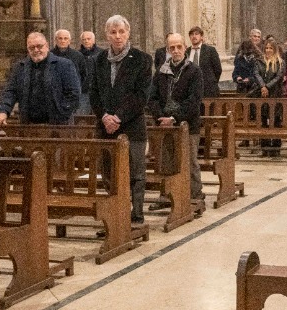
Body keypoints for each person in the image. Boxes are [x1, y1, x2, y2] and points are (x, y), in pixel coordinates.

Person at [90, 15, 152, 224]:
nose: (117, 37)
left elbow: (141, 95)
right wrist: (105, 116)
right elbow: (94, 93)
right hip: (106, 127)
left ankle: (136, 214)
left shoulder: (141, 59)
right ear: (106, 35)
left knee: (135, 172)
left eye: (121, 32)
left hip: (132, 126)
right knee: (108, 172)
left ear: (128, 33)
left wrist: (118, 117)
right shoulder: (99, 60)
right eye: (113, 32)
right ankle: (116, 211)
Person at [147, 33, 204, 204]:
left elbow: (194, 100)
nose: (176, 50)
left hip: (187, 124)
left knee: (189, 161)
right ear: (168, 50)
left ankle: (195, 195)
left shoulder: (194, 71)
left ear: (185, 48)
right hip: (165, 125)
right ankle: (166, 196)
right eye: (172, 47)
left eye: (179, 46)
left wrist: (174, 117)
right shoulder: (161, 72)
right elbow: (153, 98)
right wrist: (161, 117)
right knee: (165, 161)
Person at [0, 32, 81, 126]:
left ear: (47, 46)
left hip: (58, 124)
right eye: (31, 48)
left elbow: (74, 93)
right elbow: (10, 91)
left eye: (39, 46)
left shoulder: (64, 65)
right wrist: (3, 110)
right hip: (28, 124)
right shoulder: (20, 67)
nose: (36, 50)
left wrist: (62, 113)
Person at [255, 39, 285, 156]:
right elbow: (256, 73)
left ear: (275, 50)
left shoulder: (280, 62)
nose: (268, 50)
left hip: (275, 94)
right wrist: (262, 86)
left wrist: (267, 86)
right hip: (262, 95)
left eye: (270, 48)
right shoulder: (259, 61)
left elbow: (279, 77)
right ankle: (265, 146)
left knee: (276, 120)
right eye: (266, 48)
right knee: (264, 120)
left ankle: (276, 147)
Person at [52, 29, 92, 115]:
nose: (63, 41)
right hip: (54, 95)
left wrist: (77, 87)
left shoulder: (78, 55)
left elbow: (83, 74)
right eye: (60, 38)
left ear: (69, 41)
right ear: (55, 40)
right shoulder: (49, 55)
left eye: (65, 38)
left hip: (73, 95)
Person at [186, 26, 222, 98]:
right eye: (192, 34)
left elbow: (218, 69)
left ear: (201, 37)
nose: (194, 36)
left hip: (208, 89)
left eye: (196, 34)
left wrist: (211, 82)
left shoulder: (210, 50)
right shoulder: (186, 52)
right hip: (191, 90)